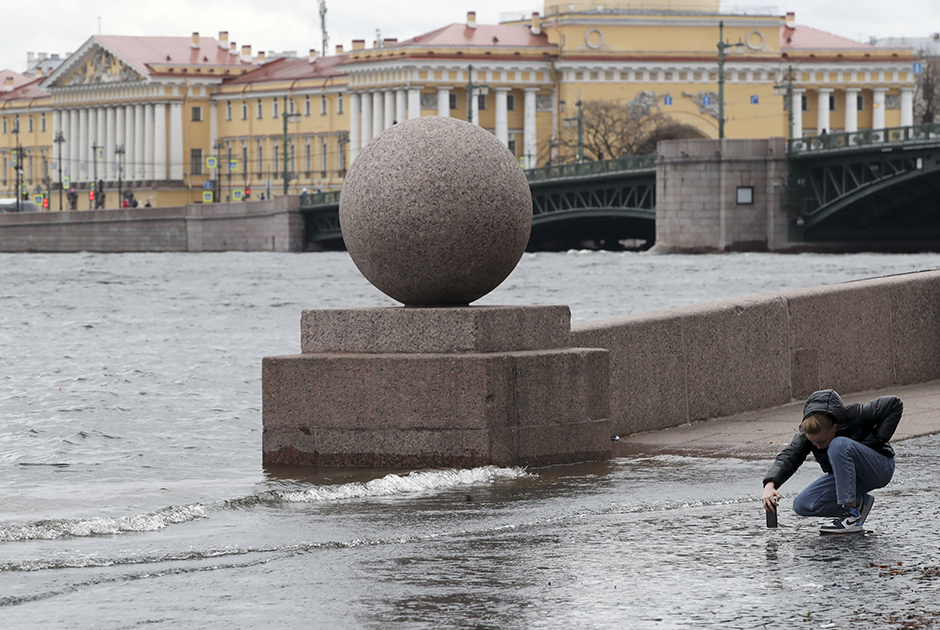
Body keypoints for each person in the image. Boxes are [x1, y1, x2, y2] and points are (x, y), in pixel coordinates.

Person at [761, 389, 902, 534]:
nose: (817, 446)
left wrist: (878, 440)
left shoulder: (854, 415)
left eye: (822, 441)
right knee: (802, 504)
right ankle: (859, 503)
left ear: (835, 426)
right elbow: (788, 456)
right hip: (848, 478)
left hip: (879, 469)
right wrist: (770, 485)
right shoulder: (806, 437)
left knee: (838, 445)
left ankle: (851, 516)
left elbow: (894, 403)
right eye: (813, 442)